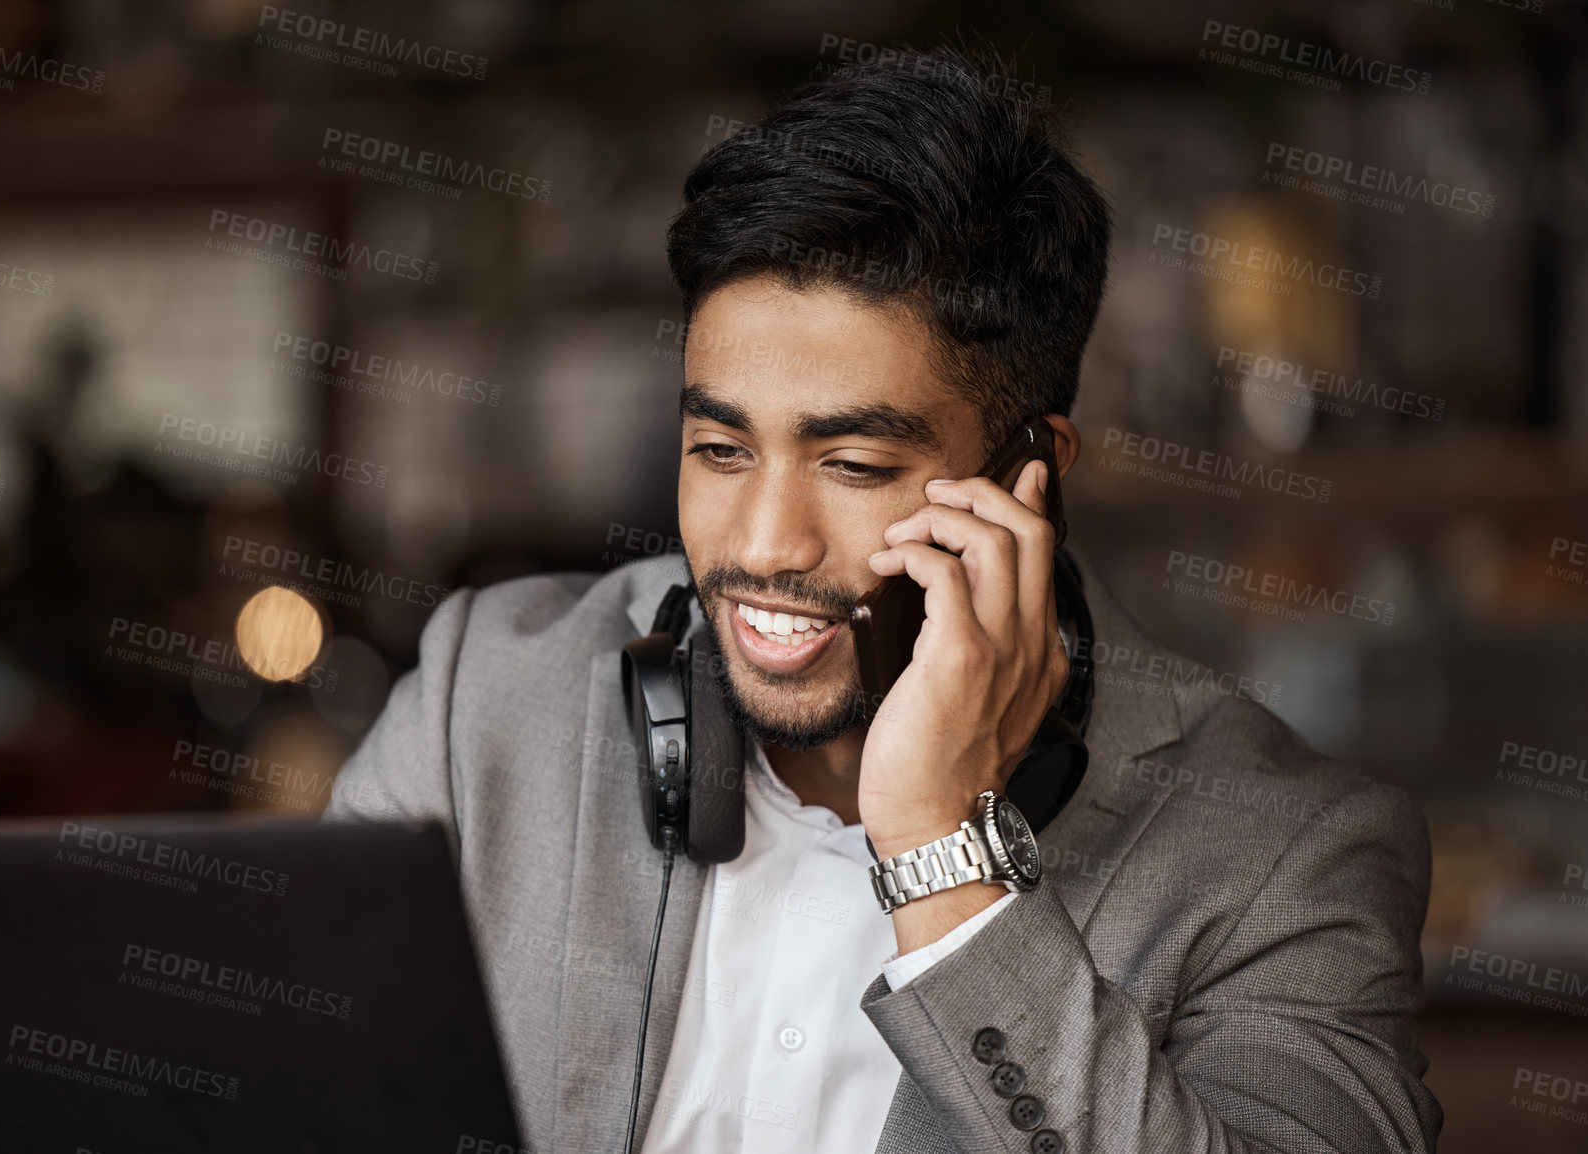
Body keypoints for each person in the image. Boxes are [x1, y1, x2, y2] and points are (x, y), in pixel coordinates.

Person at [327, 46, 1442, 1154]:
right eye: (719, 447)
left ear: (1026, 478)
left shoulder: (1288, 858)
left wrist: (948, 857)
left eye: (853, 465)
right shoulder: (482, 703)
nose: (763, 543)